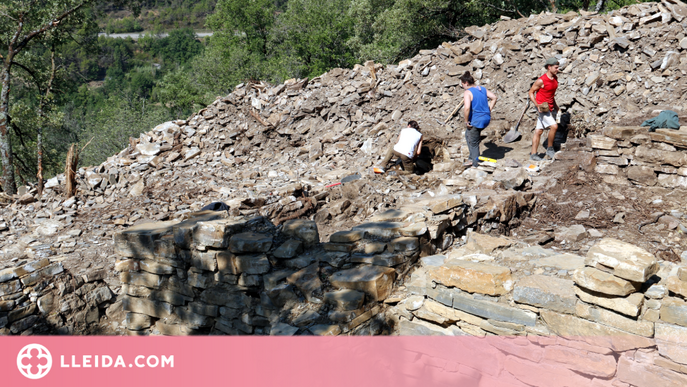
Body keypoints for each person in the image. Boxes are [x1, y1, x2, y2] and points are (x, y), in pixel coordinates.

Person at [461, 71, 497, 167]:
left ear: (466, 83)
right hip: (486, 119)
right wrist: (488, 109)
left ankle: (475, 165)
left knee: (474, 143)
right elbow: (494, 97)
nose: (462, 86)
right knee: (468, 134)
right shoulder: (482, 89)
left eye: (462, 84)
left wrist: (466, 121)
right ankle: (471, 158)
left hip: (476, 120)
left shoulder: (467, 92)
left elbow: (467, 108)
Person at [529, 58, 560, 161]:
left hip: (550, 106)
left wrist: (555, 105)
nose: (557, 69)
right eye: (556, 67)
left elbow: (551, 94)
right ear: (549, 67)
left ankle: (533, 154)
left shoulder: (555, 79)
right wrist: (537, 105)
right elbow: (531, 92)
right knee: (554, 126)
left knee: (538, 131)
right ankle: (550, 149)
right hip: (543, 107)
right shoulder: (541, 80)